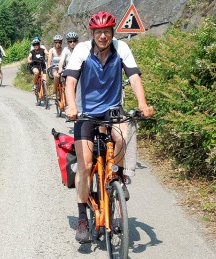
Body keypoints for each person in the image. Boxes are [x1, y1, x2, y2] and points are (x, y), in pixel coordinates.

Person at [61, 11, 154, 244]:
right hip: (86, 112)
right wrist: (71, 106)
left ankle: (118, 178)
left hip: (113, 109)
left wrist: (142, 103)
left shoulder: (121, 49)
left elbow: (133, 77)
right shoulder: (82, 50)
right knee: (86, 165)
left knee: (123, 136)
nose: (103, 36)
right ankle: (83, 218)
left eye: (107, 31)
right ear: (92, 33)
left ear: (112, 33)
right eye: (98, 32)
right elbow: (70, 80)